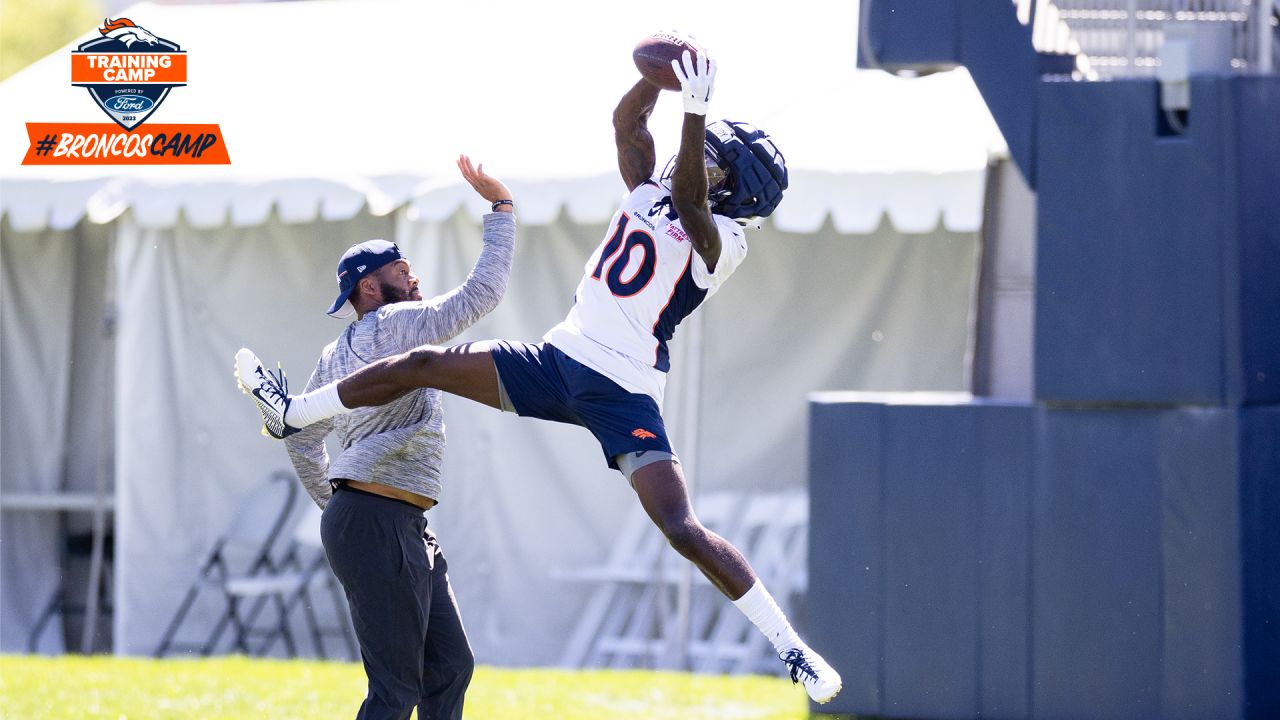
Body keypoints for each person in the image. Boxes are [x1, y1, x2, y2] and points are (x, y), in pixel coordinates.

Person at [237, 53, 842, 704]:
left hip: (622, 388)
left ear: (736, 191)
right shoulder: (651, 192)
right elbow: (627, 122)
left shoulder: (722, 240)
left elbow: (693, 200)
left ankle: (791, 648)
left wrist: (694, 111)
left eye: (717, 164)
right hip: (558, 359)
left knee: (679, 526)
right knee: (424, 367)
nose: (698, 166)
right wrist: (658, 81)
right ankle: (295, 412)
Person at [235, 155, 516, 720]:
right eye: (403, 270)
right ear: (370, 285)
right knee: (396, 691)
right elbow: (479, 296)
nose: (414, 279)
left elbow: (301, 438)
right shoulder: (393, 324)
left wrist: (335, 504)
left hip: (389, 521)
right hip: (378, 520)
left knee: (448, 668)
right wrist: (502, 209)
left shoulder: (333, 353)